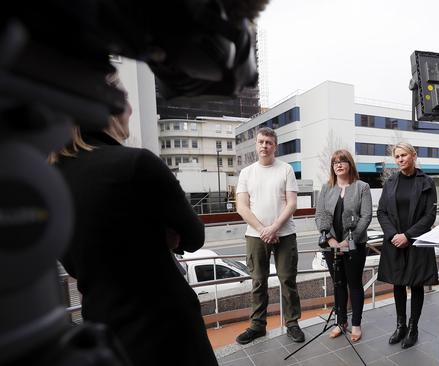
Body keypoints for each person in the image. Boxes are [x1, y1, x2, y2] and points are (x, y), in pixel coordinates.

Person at [51, 74, 218, 366]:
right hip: (168, 329)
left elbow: (74, 265)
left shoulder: (51, 181)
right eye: (125, 99)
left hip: (107, 333)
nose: (130, 109)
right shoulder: (136, 164)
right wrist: (158, 233)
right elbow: (194, 236)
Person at [235, 127, 305, 345]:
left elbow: (292, 203)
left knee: (287, 280)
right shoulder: (247, 172)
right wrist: (263, 230)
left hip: (285, 234)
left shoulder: (286, 170)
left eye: (269, 142)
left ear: (275, 146)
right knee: (258, 281)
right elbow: (242, 207)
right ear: (256, 145)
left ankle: (292, 323)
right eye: (261, 142)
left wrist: (274, 227)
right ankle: (257, 325)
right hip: (255, 236)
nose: (264, 146)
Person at [377, 142, 438, 349]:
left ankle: (413, 328)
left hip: (417, 241)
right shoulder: (391, 181)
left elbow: (429, 215)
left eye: (404, 155)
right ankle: (400, 325)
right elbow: (382, 212)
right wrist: (394, 235)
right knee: (398, 283)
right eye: (397, 156)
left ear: (413, 155)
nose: (401, 159)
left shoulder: (427, 182)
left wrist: (408, 235)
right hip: (395, 241)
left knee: (417, 283)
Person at [315, 149, 372, 342]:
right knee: (338, 285)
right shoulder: (326, 187)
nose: (338, 165)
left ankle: (356, 324)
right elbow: (320, 215)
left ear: (350, 164)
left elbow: (366, 216)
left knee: (354, 284)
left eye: (343, 161)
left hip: (354, 245)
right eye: (335, 162)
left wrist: (351, 239)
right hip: (331, 247)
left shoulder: (362, 187)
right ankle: (341, 322)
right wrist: (330, 240)